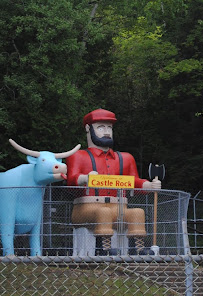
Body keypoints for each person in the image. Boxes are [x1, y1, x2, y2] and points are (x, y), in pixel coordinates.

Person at [66, 108, 161, 253]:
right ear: (88, 128)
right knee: (103, 212)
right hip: (86, 208)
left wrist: (149, 185)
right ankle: (103, 249)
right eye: (101, 127)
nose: (106, 132)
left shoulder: (126, 158)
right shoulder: (77, 156)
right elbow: (71, 181)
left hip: (119, 207)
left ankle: (138, 250)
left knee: (137, 212)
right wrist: (85, 178)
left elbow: (134, 182)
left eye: (109, 127)